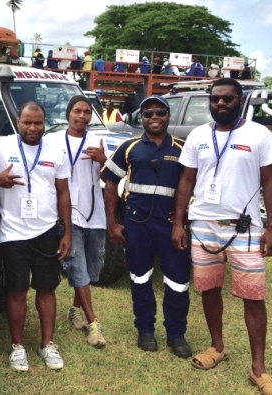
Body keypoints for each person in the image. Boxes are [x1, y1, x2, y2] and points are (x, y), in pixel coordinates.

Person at [171, 78, 272, 395]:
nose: (221, 104)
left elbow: (270, 182)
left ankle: (258, 369)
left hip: (245, 227)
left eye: (228, 99)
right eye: (215, 99)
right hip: (204, 224)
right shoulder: (198, 135)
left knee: (253, 295)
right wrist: (178, 222)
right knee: (209, 289)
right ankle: (217, 347)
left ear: (240, 100)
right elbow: (186, 180)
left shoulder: (258, 134)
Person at [0, 102, 72, 371]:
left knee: (47, 288)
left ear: (45, 122)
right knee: (16, 289)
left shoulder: (56, 150)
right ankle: (17, 347)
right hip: (13, 232)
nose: (33, 128)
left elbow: (63, 192)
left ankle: (47, 344)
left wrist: (67, 231)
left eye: (38, 123)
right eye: (27, 122)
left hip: (46, 230)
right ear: (17, 121)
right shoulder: (1, 145)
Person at [103, 95, 192, 358]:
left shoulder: (183, 149)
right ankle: (145, 330)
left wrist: (180, 222)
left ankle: (176, 334)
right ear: (141, 117)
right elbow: (110, 183)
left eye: (160, 112)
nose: (154, 117)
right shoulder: (129, 148)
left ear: (168, 116)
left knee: (177, 281)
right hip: (136, 225)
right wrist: (112, 224)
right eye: (148, 113)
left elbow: (190, 185)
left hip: (170, 226)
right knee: (140, 278)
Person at [47, 96, 107, 348]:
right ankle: (94, 325)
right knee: (77, 265)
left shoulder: (98, 142)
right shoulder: (52, 140)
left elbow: (112, 175)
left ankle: (74, 308)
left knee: (93, 268)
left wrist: (103, 160)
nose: (81, 116)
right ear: (68, 113)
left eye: (86, 112)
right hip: (67, 214)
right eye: (77, 111)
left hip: (94, 213)